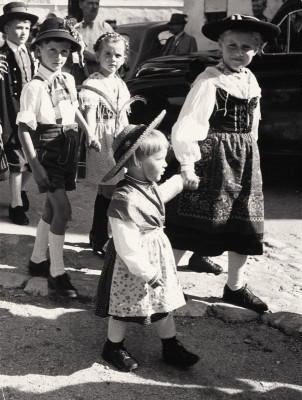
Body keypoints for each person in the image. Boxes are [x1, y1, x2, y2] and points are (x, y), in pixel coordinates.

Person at [164, 14, 280, 313]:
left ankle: (235, 287)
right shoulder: (209, 81)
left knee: (243, 220)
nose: (238, 52)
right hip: (212, 157)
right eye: (232, 46)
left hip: (243, 157)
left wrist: (251, 150)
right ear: (220, 45)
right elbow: (188, 124)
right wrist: (188, 165)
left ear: (259, 48)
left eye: (246, 47)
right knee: (190, 219)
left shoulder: (250, 79)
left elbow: (253, 121)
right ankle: (165, 283)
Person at [95, 111, 200, 372]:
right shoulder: (124, 199)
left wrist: (179, 181)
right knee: (123, 305)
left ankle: (170, 346)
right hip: (134, 264)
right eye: (160, 158)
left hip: (156, 254)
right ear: (138, 161)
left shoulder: (146, 186)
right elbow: (126, 244)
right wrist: (147, 271)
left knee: (162, 303)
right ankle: (113, 346)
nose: (165, 164)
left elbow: (157, 198)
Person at [17, 17, 94, 298]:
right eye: (52, 51)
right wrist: (34, 165)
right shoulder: (34, 87)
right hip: (47, 150)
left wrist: (91, 134)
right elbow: (24, 129)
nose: (59, 57)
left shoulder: (69, 79)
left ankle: (38, 260)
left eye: (64, 51)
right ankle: (57, 271)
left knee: (51, 210)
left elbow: (73, 110)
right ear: (38, 50)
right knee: (64, 211)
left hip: (68, 146)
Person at [79, 32, 133, 256]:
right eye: (107, 54)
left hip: (118, 137)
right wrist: (91, 134)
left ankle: (97, 233)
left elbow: (123, 115)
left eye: (117, 55)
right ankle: (104, 237)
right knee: (112, 188)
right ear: (98, 56)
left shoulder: (120, 82)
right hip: (101, 138)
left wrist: (130, 135)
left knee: (108, 188)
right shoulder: (93, 82)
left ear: (124, 59)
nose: (112, 59)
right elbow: (90, 111)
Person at [0, 2, 38, 225]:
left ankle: (20, 190)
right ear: (6, 30)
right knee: (16, 158)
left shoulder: (31, 53)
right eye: (18, 28)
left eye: (26, 28)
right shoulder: (2, 56)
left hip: (30, 110)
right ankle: (15, 204)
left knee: (35, 156)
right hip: (9, 111)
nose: (23, 33)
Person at [71, 0, 114, 84]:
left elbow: (113, 53)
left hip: (101, 75)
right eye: (90, 3)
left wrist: (95, 57)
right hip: (79, 74)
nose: (94, 6)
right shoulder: (75, 29)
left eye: (96, 3)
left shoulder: (105, 28)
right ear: (81, 4)